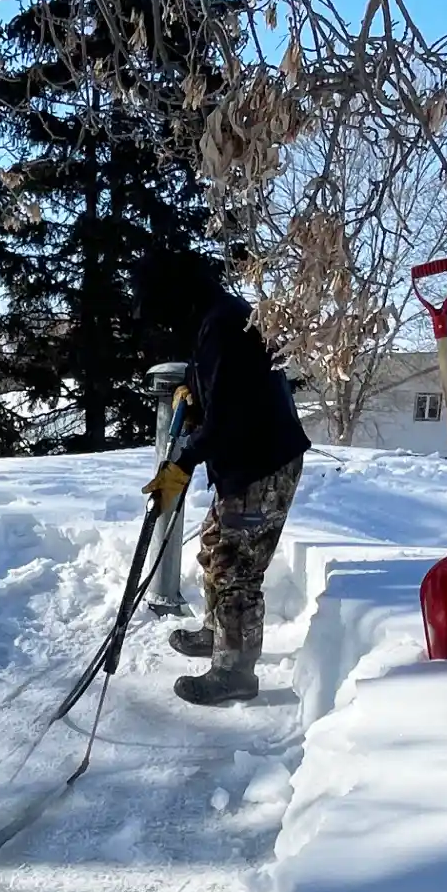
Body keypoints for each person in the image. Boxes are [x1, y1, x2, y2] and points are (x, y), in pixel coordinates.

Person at [140, 260, 310, 706]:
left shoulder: (223, 326)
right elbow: (221, 389)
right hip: (244, 460)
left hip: (263, 462)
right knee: (216, 544)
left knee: (236, 567)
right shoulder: (214, 318)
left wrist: (181, 464)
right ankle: (217, 633)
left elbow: (230, 417)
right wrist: (192, 391)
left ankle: (235, 671)